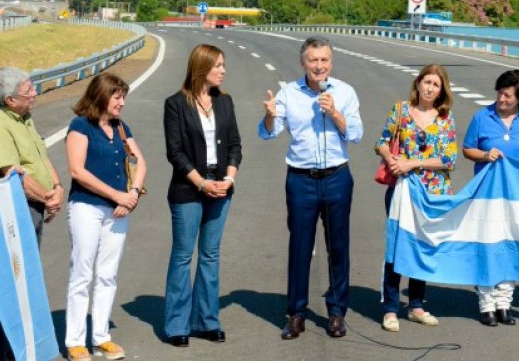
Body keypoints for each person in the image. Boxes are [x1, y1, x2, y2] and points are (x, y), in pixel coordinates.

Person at [259, 36, 363, 340]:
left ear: (331, 61)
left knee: (338, 247)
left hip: (337, 177)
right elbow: (268, 133)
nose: (319, 66)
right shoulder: (288, 94)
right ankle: (296, 314)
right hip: (301, 179)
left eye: (324, 60)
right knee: (300, 248)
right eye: (313, 60)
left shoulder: (345, 92)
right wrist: (268, 114)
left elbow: (355, 134)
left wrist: (334, 112)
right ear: (303, 62)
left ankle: (336, 312)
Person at [0, 67, 64, 360]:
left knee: (24, 278)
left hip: (38, 204)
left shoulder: (25, 117)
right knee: (8, 278)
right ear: (10, 99)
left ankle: (14, 343)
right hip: (20, 208)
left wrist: (56, 187)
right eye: (28, 93)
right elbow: (10, 171)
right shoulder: (1, 123)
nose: (34, 95)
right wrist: (46, 197)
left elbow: (41, 156)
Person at [163, 44, 241, 348]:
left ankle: (207, 321)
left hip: (221, 188)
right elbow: (175, 152)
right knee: (183, 256)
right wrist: (201, 184)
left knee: (210, 255)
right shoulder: (175, 104)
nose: (223, 70)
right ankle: (176, 325)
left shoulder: (225, 102)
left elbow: (235, 144)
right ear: (201, 68)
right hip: (188, 190)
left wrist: (228, 179)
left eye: (224, 64)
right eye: (218, 65)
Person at [65, 73, 146, 361]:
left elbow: (140, 161)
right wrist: (117, 196)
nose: (122, 103)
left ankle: (100, 337)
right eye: (117, 97)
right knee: (82, 272)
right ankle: (75, 341)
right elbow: (77, 171)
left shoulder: (122, 128)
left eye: (124, 97)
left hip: (119, 210)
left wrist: (132, 194)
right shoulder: (80, 126)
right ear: (101, 96)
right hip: (87, 207)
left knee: (108, 274)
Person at [462, 69, 519, 327]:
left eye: (508, 95)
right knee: (488, 246)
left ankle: (504, 302)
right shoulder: (482, 117)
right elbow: (468, 149)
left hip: (518, 197)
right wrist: (485, 155)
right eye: (499, 93)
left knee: (512, 245)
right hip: (487, 196)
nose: (501, 99)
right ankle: (486, 303)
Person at [375, 64, 457, 332]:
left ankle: (417, 305)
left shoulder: (445, 118)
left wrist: (411, 162)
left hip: (432, 193)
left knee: (423, 247)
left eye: (436, 84)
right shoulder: (400, 110)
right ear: (418, 83)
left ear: (442, 89)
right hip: (402, 190)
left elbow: (448, 158)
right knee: (396, 246)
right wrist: (392, 160)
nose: (430, 88)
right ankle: (390, 308)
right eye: (427, 82)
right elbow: (382, 141)